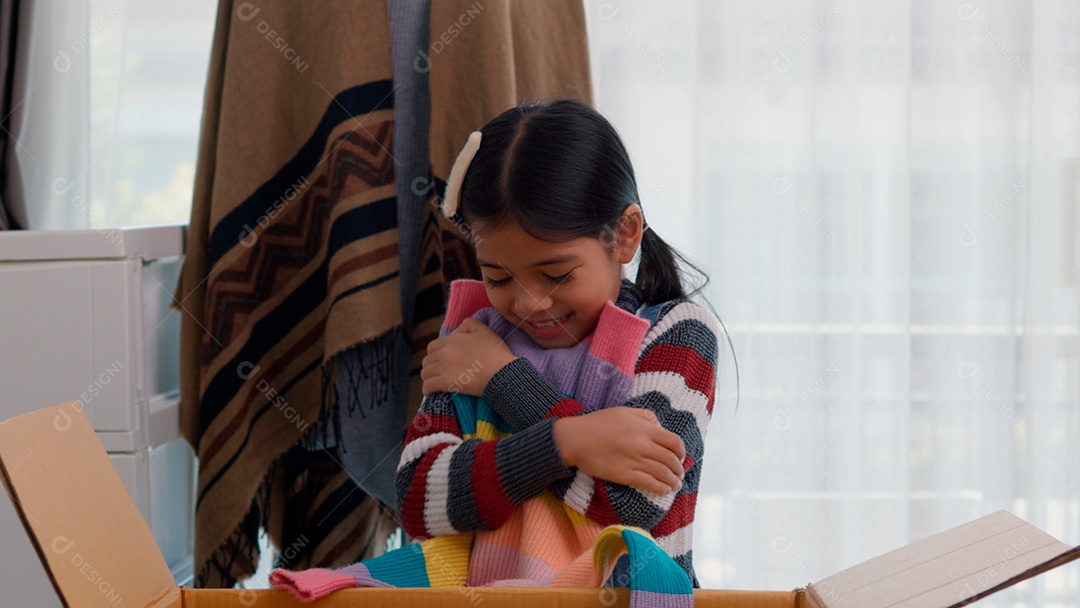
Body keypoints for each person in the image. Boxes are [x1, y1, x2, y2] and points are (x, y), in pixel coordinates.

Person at [399, 98, 721, 587]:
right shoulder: (472, 339)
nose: (530, 304)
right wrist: (572, 441)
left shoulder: (677, 335)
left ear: (625, 235)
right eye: (499, 277)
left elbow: (637, 503)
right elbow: (421, 501)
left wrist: (505, 380)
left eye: (556, 274)